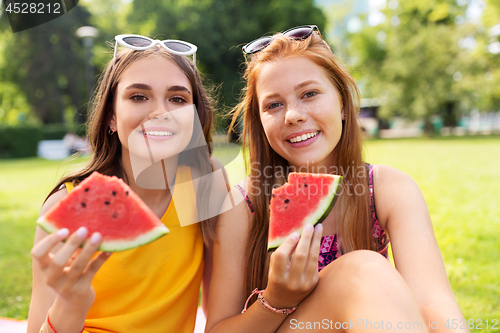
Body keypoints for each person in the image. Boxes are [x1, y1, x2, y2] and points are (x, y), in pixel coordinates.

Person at [206, 25, 468, 332]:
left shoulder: (389, 190)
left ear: (343, 104)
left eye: (309, 94)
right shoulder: (243, 206)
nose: (292, 115)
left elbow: (435, 308)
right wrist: (276, 300)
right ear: (260, 121)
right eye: (274, 104)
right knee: (364, 270)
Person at [27, 34, 223, 333]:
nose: (160, 112)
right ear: (111, 117)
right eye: (139, 97)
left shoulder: (204, 184)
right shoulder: (66, 205)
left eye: (178, 99)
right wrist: (71, 305)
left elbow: (218, 317)